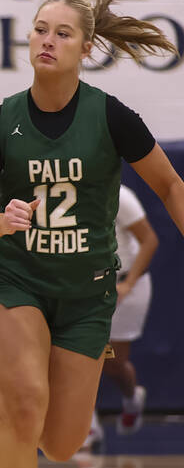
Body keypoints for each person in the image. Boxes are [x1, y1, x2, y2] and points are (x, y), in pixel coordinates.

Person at [0, 0, 184, 468]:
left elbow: (170, 187)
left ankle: (18, 378)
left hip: (87, 293)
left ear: (86, 47)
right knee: (25, 402)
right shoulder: (1, 120)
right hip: (14, 278)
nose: (46, 41)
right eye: (38, 30)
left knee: (61, 442)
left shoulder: (110, 116)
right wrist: (0, 220)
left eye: (61, 33)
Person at [84, 183, 157, 445]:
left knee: (113, 363)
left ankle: (131, 396)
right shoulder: (65, 193)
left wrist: (127, 284)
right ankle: (87, 425)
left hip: (125, 284)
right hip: (85, 284)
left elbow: (150, 240)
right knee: (82, 355)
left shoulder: (119, 195)